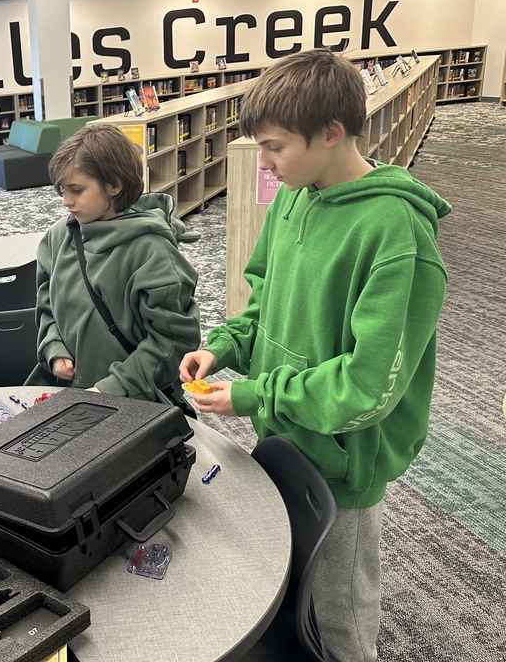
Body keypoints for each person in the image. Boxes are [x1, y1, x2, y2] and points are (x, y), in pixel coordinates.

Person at [178, 48, 450, 662]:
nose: (264, 163)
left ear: (332, 132)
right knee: (285, 589)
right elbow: (264, 301)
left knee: (343, 620)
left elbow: (367, 388)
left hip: (343, 461)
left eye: (275, 147)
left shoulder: (395, 233)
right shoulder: (298, 196)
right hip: (286, 433)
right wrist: (222, 349)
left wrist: (254, 395)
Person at [26, 123, 201, 404]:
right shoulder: (59, 236)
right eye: (62, 190)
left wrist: (115, 387)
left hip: (131, 402)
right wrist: (53, 347)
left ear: (114, 186)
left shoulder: (151, 252)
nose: (66, 201)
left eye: (77, 190)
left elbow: (173, 342)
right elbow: (46, 302)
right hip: (67, 393)